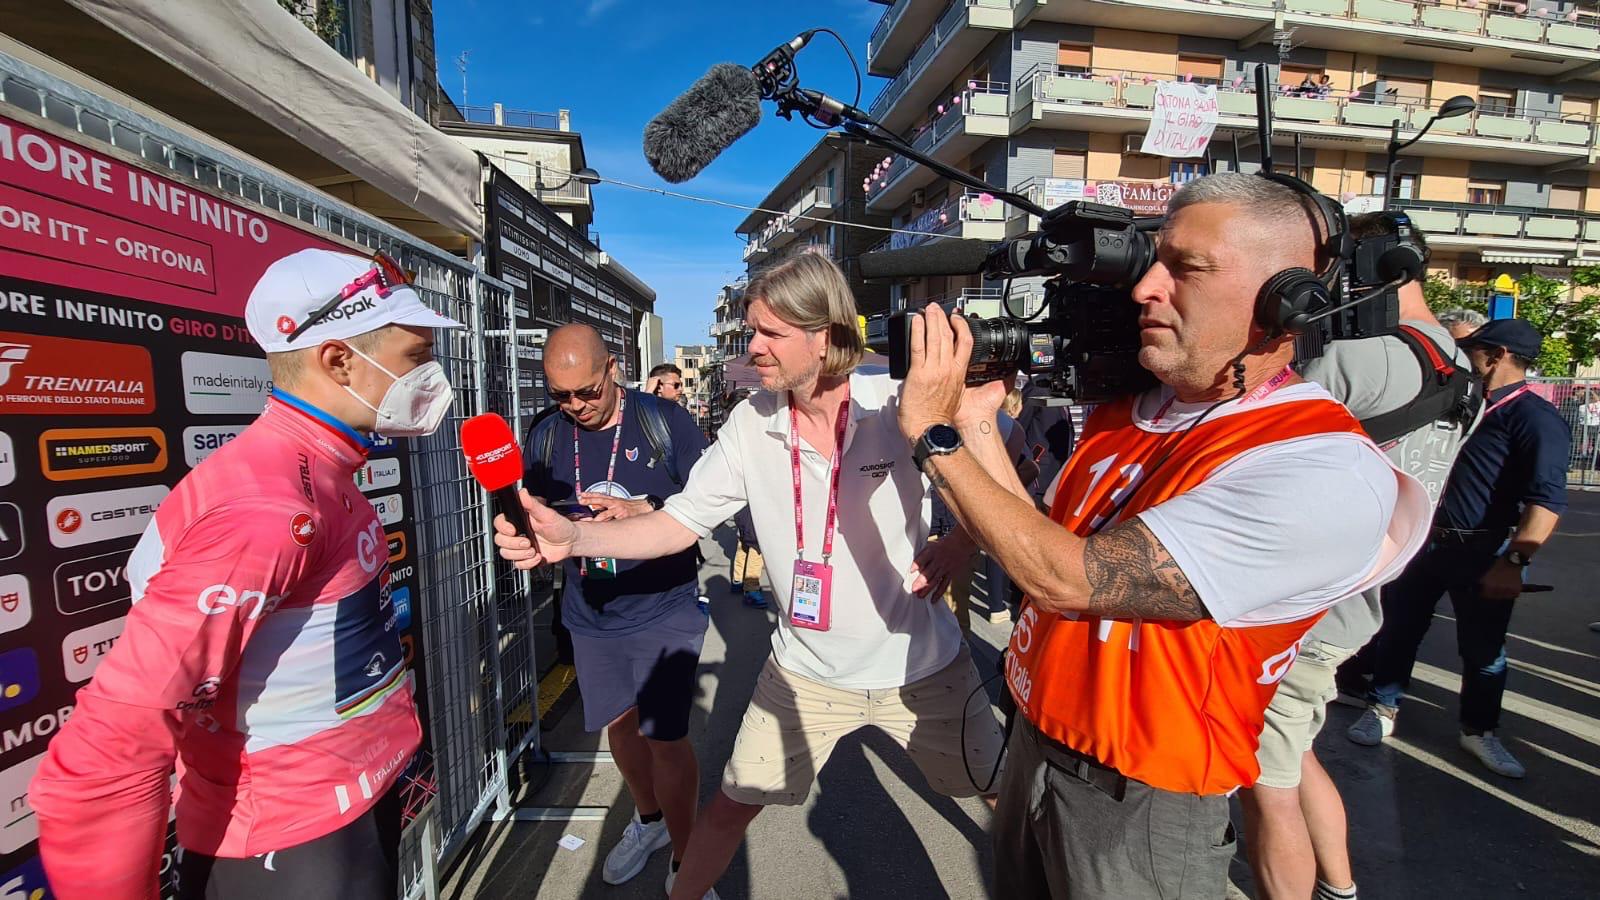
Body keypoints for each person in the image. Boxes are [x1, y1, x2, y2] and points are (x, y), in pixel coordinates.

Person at [894, 173, 1430, 899]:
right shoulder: (1129, 410)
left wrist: (931, 434)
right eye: (1152, 262)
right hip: (1035, 747)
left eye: (1186, 267)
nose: (1146, 287)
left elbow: (1069, 579)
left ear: (1286, 298)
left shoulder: (1320, 468)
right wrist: (975, 422)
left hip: (1142, 797)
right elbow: (1035, 545)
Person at [493, 253, 1005, 900]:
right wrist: (575, 539)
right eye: (751, 329)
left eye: (771, 332)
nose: (752, 346)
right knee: (729, 809)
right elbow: (678, 523)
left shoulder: (895, 400)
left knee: (1002, 795)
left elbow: (1003, 472)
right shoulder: (750, 422)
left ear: (825, 335)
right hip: (803, 672)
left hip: (922, 665)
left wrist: (960, 543)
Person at [29, 249, 465, 900]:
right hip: (290, 845)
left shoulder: (321, 469)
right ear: (339, 360)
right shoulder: (267, 509)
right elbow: (111, 748)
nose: (431, 376)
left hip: (343, 813)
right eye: (416, 355)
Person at [1240, 214, 1473, 900]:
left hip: (1303, 609)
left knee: (1266, 781)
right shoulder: (1457, 363)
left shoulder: (1359, 359)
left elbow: (1245, 438)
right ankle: (1339, 887)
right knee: (1296, 754)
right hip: (1358, 601)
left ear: (1370, 264)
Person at [522, 324, 710, 891]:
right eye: (561, 395)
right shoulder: (547, 434)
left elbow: (710, 502)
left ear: (612, 369)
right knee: (621, 728)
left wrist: (647, 507)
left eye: (587, 391)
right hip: (591, 610)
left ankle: (688, 860)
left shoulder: (664, 421)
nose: (576, 405)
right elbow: (532, 511)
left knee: (665, 737)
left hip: (664, 605)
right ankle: (649, 822)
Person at [1346, 318, 1571, 779]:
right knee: (1399, 630)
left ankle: (1479, 730)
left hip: (1483, 551)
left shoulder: (1534, 419)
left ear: (1498, 356)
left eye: (1475, 350)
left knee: (1484, 649)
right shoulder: (1461, 401)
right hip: (1424, 541)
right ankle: (1382, 707)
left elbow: (1547, 500)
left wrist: (1514, 561)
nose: (1465, 356)